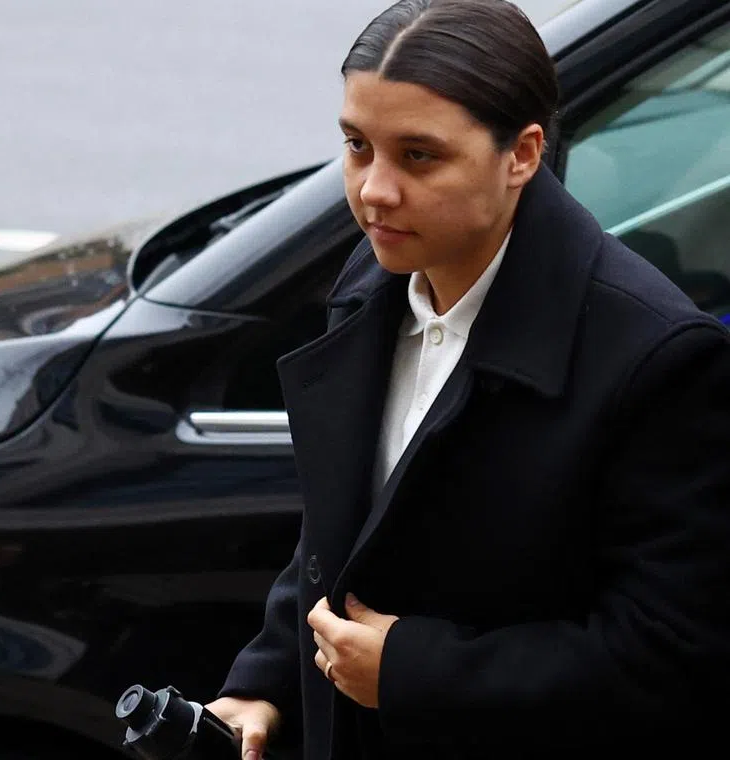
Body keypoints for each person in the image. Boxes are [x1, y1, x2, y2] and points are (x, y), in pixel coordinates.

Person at [204, 0, 730, 757]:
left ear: (521, 154)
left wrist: (418, 671)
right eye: (357, 146)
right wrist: (266, 681)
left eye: (418, 156)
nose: (374, 190)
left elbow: (671, 654)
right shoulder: (373, 283)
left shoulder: (655, 356)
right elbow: (343, 534)